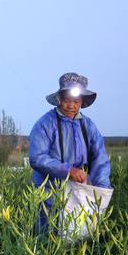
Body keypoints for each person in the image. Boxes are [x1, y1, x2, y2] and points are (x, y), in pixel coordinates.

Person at [29, 72, 111, 235]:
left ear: (82, 102)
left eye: (76, 101)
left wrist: (101, 190)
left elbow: (100, 159)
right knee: (48, 234)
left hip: (81, 188)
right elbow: (37, 158)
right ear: (60, 99)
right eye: (67, 100)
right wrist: (69, 171)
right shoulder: (45, 123)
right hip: (50, 190)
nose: (71, 106)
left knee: (80, 232)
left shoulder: (88, 125)